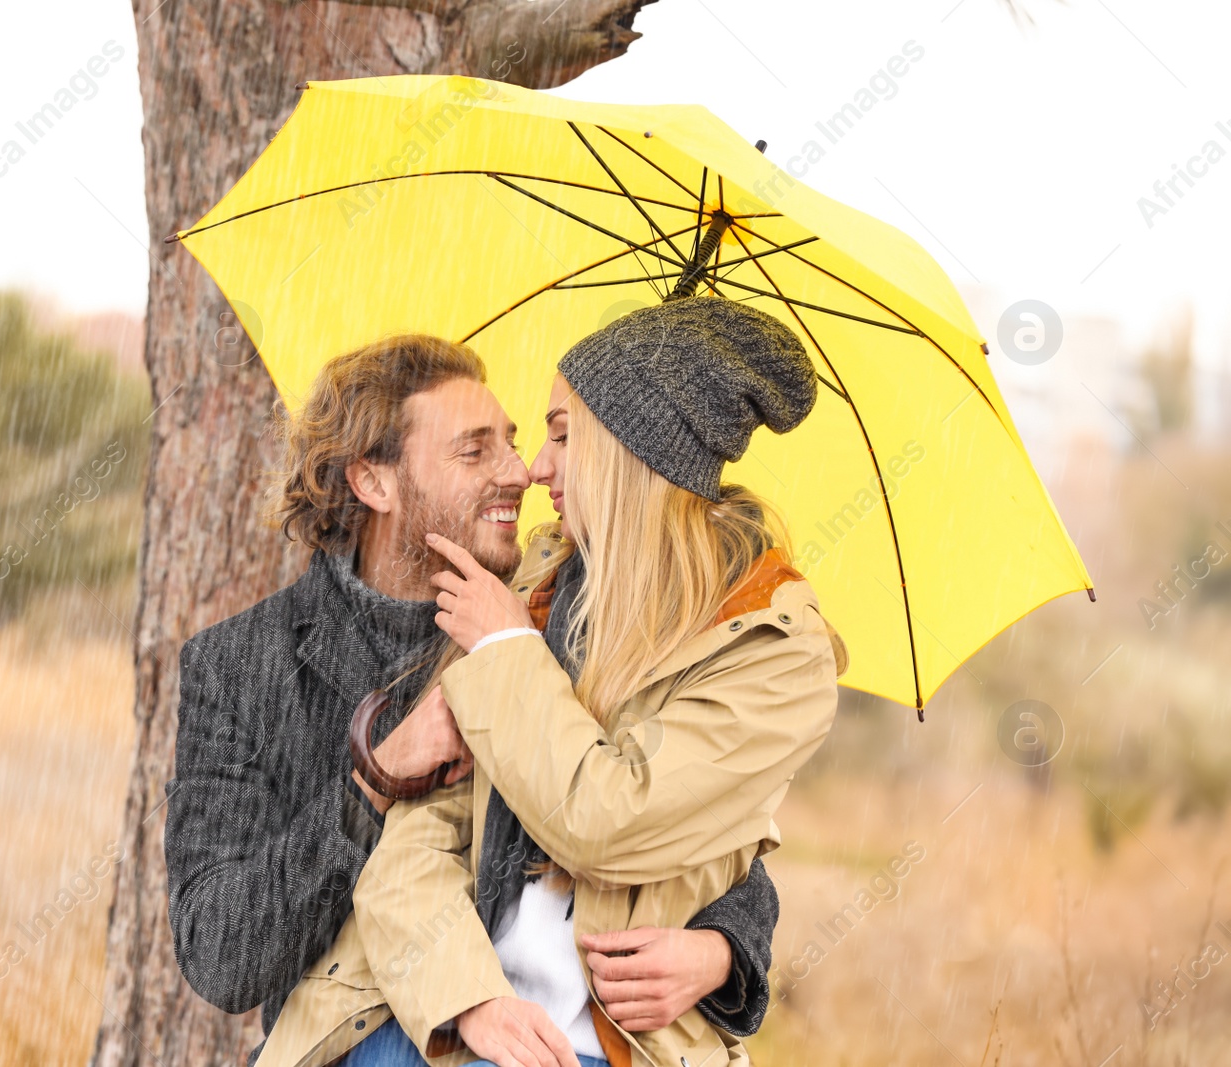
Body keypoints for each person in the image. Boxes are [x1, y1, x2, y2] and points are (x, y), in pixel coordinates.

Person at [260, 296, 848, 1067]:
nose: (536, 468)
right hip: (431, 1008)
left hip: (601, 1045)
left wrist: (506, 645)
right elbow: (411, 843)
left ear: (635, 454)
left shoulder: (772, 650)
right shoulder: (539, 583)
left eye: (564, 436)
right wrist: (469, 997)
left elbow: (610, 822)